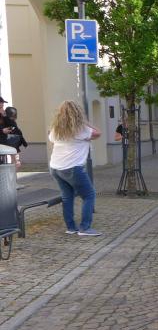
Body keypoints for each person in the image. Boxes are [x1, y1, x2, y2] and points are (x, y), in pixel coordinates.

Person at [48, 100, 102, 236]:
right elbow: (98, 133)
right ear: (78, 113)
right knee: (89, 195)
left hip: (55, 167)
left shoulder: (55, 130)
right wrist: (85, 122)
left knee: (67, 197)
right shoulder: (81, 129)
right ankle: (85, 228)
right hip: (72, 168)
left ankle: (71, 228)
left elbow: (52, 141)